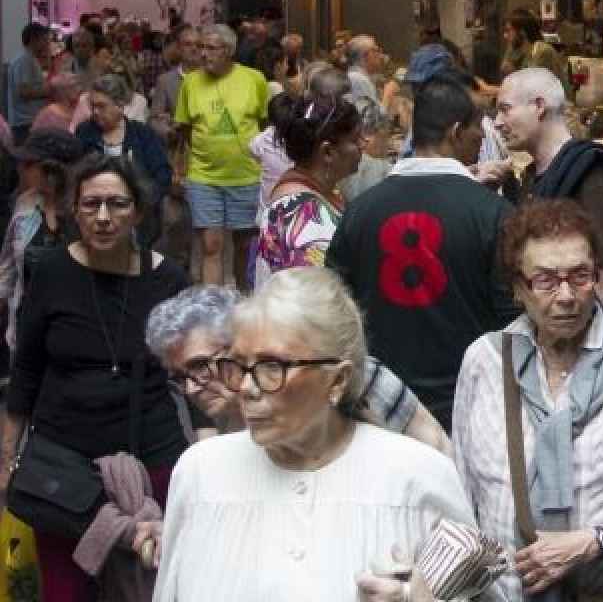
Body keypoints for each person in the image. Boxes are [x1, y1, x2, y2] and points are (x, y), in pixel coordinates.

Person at [153, 267, 481, 601]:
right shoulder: (200, 473)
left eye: (272, 367)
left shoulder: (416, 475)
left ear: (337, 381)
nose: (248, 388)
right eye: (238, 365)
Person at [452, 199, 603, 601]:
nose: (566, 295)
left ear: (598, 279)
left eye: (580, 276)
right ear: (518, 289)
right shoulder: (485, 361)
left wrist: (590, 542)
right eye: (545, 279)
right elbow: (462, 489)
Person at [2, 156, 191, 601]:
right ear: (75, 210)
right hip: (64, 465)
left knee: (148, 586)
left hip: (151, 454)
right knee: (66, 590)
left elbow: (190, 370)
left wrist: (205, 446)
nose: (103, 217)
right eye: (91, 205)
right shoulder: (49, 270)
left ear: (139, 213)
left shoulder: (168, 278)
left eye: (116, 204)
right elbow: (26, 365)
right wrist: (8, 450)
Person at [328, 76, 513, 430]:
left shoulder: (359, 211)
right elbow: (511, 319)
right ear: (457, 132)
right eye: (479, 131)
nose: (483, 141)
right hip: (468, 403)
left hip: (378, 402)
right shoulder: (492, 213)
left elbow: (336, 306)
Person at [143, 284, 448, 450]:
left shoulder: (348, 376)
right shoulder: (223, 430)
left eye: (200, 367)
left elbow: (435, 452)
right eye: (181, 378)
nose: (192, 388)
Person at [494, 67, 603, 301]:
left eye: (505, 110)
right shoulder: (531, 176)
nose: (497, 122)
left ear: (538, 107)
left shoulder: (588, 172)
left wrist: (591, 337)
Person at [175, 24, 269, 287]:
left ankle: (243, 300)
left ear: (228, 51)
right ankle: (212, 307)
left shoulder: (255, 79)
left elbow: (263, 126)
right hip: (203, 176)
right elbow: (184, 130)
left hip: (246, 175)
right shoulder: (190, 83)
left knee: (244, 246)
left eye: (211, 48)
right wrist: (180, 168)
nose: (203, 54)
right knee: (211, 245)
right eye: (201, 47)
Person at [254, 97, 364, 291]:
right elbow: (317, 297)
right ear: (328, 152)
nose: (364, 144)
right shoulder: (306, 216)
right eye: (355, 140)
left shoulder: (315, 191)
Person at [0, 130, 87, 349]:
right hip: (26, 328)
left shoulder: (88, 210)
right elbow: (9, 266)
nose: (21, 169)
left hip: (77, 330)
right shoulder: (25, 204)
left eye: (29, 164)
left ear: (53, 171)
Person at [76, 74, 172, 214]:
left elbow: (162, 175)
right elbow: (74, 173)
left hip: (137, 211)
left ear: (120, 105)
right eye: (93, 106)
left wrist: (142, 202)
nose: (95, 112)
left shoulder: (143, 135)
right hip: (94, 209)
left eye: (101, 106)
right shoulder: (84, 132)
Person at [7, 23, 53, 139]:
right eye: (44, 39)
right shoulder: (24, 60)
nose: (47, 43)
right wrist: (49, 90)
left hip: (29, 121)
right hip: (25, 123)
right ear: (34, 39)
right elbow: (24, 92)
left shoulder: (29, 58)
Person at [501, 8, 566, 81]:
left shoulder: (541, 51)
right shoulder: (519, 50)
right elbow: (505, 68)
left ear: (522, 32)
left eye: (508, 30)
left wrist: (514, 72)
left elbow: (530, 88)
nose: (505, 36)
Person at [344, 34, 384, 108]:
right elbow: (372, 117)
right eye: (377, 50)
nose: (381, 55)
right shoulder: (358, 79)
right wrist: (389, 93)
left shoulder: (360, 77)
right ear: (366, 55)